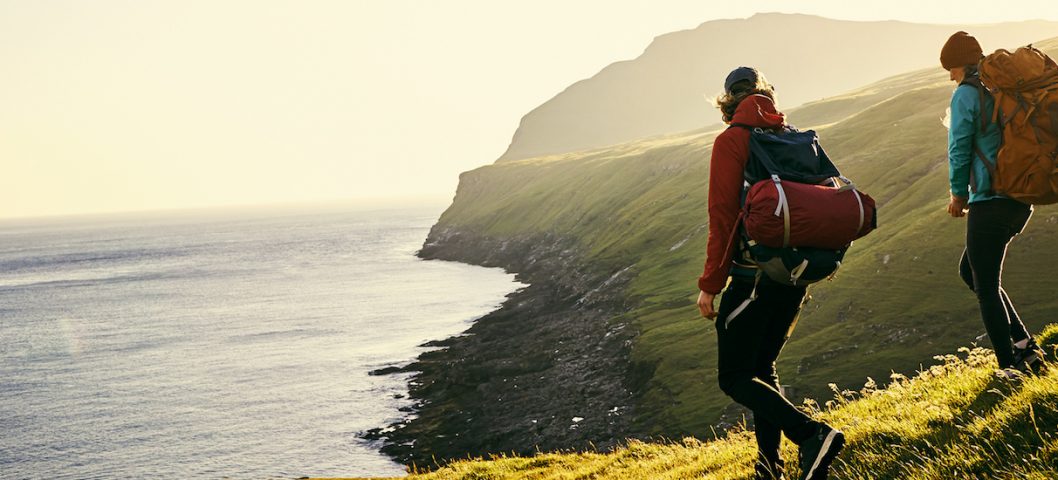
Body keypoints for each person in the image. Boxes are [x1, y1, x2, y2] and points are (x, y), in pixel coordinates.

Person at [696, 67, 844, 480]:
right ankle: (769, 467)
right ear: (767, 96)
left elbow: (722, 217)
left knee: (734, 376)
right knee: (763, 368)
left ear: (727, 102)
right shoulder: (792, 135)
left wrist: (710, 285)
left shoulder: (732, 141)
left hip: (752, 278)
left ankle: (812, 435)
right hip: (795, 274)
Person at [940, 31, 1046, 378]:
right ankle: (1024, 347)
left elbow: (959, 149)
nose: (950, 76)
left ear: (958, 65)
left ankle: (1009, 368)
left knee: (984, 284)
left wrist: (958, 195)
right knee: (969, 271)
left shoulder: (966, 96)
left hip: (991, 202)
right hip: (1019, 200)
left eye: (950, 69)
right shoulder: (998, 90)